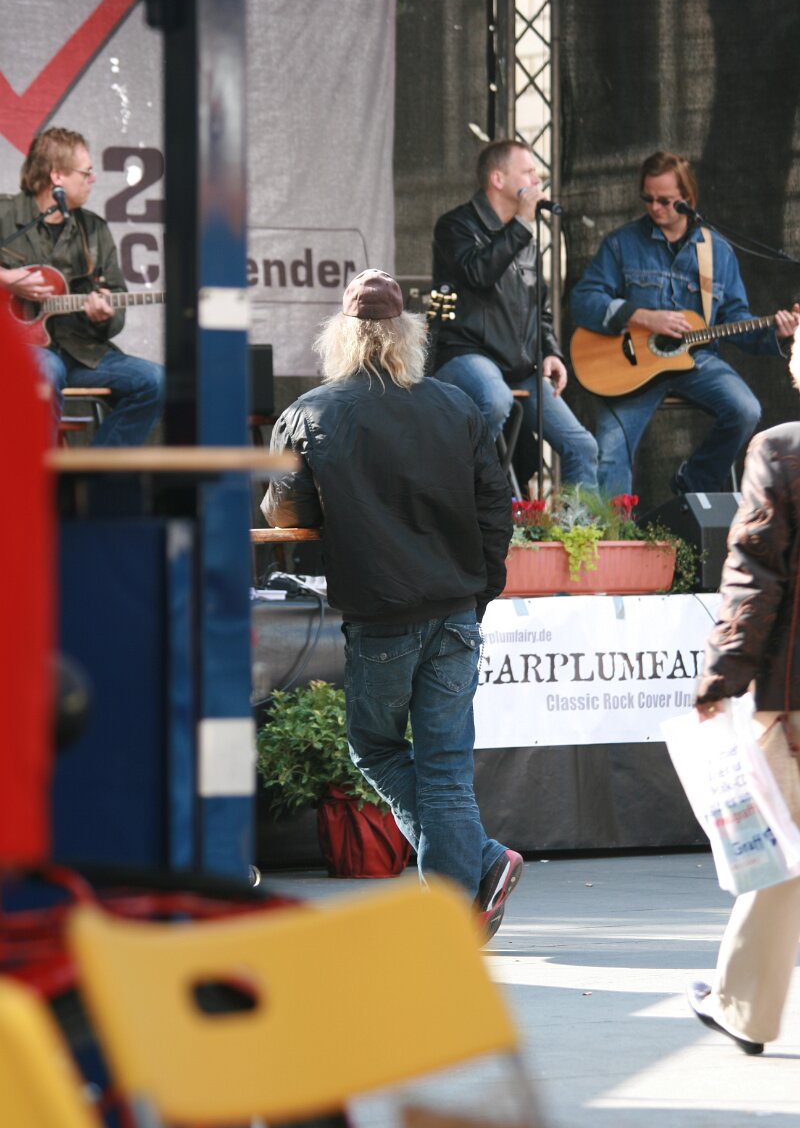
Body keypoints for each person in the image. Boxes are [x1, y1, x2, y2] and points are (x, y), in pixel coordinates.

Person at [262, 268, 523, 939]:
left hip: (383, 617)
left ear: (342, 337)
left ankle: (466, 895)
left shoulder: (312, 412)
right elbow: (497, 510)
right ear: (408, 335)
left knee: (376, 750)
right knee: (445, 771)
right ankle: (472, 880)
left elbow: (284, 511)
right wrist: (479, 594)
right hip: (454, 608)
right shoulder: (457, 406)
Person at [687, 330, 800, 1054]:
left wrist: (721, 677)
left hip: (792, 697)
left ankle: (744, 1008)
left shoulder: (782, 451)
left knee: (784, 857)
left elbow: (754, 579)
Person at [570, 149, 798, 497]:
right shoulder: (622, 244)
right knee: (610, 452)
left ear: (687, 200)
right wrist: (643, 316)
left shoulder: (716, 251)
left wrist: (777, 333)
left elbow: (735, 318)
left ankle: (692, 487)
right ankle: (616, 529)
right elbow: (583, 300)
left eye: (664, 201)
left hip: (697, 361)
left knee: (745, 410)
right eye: (647, 198)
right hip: (633, 368)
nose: (654, 207)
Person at [431, 138, 598, 489]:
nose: (537, 181)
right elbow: (478, 273)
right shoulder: (456, 226)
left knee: (582, 447)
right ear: (498, 179)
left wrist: (550, 351)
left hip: (518, 367)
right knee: (495, 400)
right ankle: (459, 496)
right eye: (528, 172)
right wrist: (521, 223)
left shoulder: (525, 240)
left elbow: (541, 308)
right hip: (467, 354)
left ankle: (578, 524)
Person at [0, 126, 164, 445]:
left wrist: (104, 315)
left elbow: (116, 295)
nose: (93, 178)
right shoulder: (5, 213)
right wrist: (7, 280)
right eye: (86, 172)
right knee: (46, 371)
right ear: (57, 176)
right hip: (19, 351)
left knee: (155, 381)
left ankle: (98, 472)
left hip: (80, 351)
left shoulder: (94, 230)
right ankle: (37, 472)